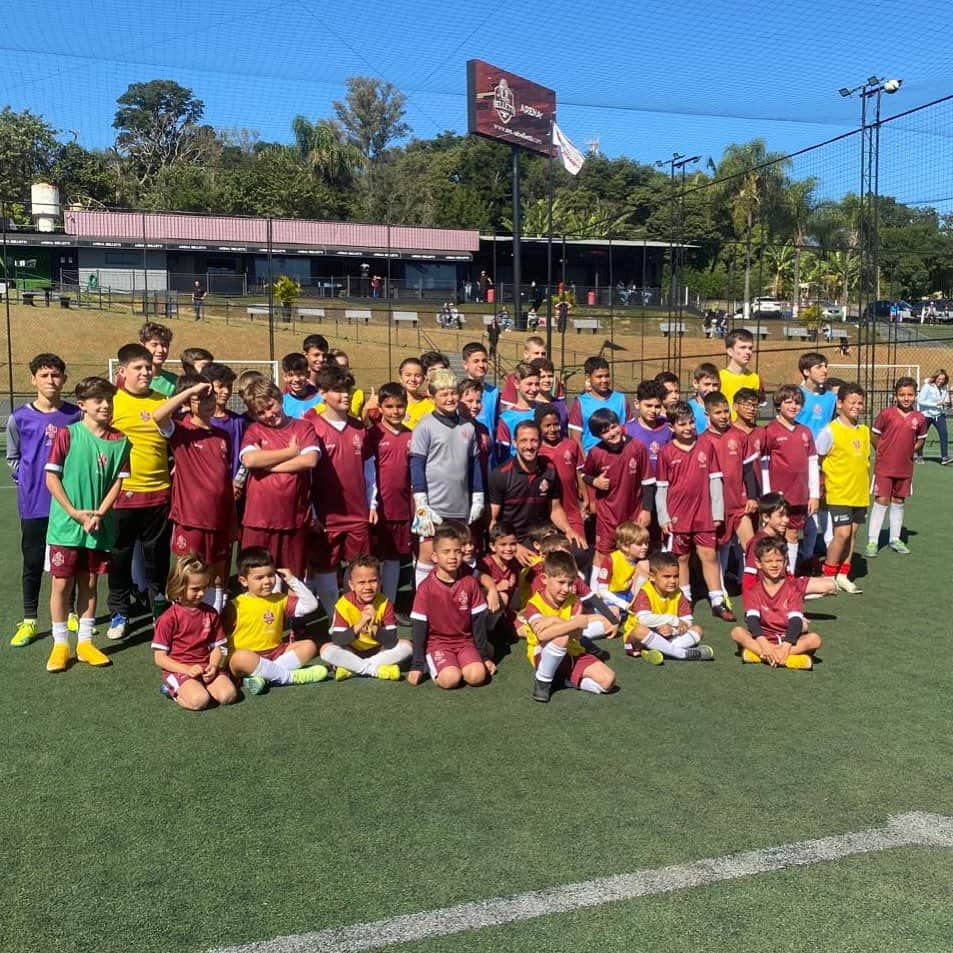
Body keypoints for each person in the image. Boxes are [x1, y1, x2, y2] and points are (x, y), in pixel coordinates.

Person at [44, 377, 130, 673]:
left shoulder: (121, 441)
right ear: (82, 405)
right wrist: (74, 513)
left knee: (90, 583)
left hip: (98, 527)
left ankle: (84, 643)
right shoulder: (67, 435)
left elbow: (118, 483)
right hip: (66, 527)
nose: (105, 405)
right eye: (98, 400)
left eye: (109, 399)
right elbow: (51, 478)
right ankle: (60, 644)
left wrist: (99, 514)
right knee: (62, 584)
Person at [7, 353, 82, 648]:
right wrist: (25, 479)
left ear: (63, 379)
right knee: (34, 561)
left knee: (69, 561)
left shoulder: (75, 415)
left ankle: (71, 612)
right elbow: (13, 457)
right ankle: (29, 620)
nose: (51, 380)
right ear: (33, 379)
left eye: (56, 375)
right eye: (44, 375)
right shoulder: (19, 418)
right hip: (34, 503)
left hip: (66, 504)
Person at [106, 343, 175, 638]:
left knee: (157, 556)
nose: (146, 372)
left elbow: (175, 440)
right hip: (122, 494)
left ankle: (158, 607)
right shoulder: (111, 402)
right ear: (122, 371)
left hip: (159, 491)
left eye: (148, 367)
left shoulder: (163, 399)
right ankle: (119, 611)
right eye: (138, 367)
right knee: (119, 556)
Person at [152, 376, 235, 611]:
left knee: (217, 576)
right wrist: (190, 391)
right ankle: (181, 622)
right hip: (191, 518)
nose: (209, 402)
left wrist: (231, 518)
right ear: (188, 402)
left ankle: (212, 622)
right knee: (187, 573)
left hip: (219, 518)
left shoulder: (222, 436)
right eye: (201, 398)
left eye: (210, 396)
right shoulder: (181, 430)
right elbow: (158, 416)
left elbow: (223, 479)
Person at [304, 365, 374, 620]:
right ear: (322, 393)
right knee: (325, 566)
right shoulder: (310, 425)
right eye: (337, 390)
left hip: (357, 512)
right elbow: (305, 475)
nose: (345, 395)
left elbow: (368, 470)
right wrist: (311, 510)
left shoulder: (358, 427)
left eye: (347, 390)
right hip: (326, 513)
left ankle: (354, 613)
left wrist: (372, 503)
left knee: (358, 567)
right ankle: (335, 618)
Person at [655, 400, 733, 620]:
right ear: (672, 428)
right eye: (682, 424)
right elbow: (662, 487)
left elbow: (715, 480)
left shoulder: (706, 446)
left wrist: (717, 512)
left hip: (704, 513)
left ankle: (718, 600)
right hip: (678, 514)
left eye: (691, 422)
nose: (688, 427)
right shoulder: (666, 452)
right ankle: (685, 598)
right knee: (681, 558)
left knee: (708, 555)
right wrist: (664, 516)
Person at [239, 378, 320, 580]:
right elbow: (250, 460)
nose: (269, 414)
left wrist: (266, 465)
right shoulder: (254, 431)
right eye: (261, 413)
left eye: (270, 406)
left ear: (278, 398)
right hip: (259, 519)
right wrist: (291, 451)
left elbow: (310, 460)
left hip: (294, 518)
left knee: (292, 580)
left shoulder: (303, 427)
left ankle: (290, 613)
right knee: (257, 579)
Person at [409, 369, 484, 588]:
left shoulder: (468, 427)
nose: (450, 398)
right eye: (443, 394)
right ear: (432, 397)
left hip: (460, 506)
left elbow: (474, 464)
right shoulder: (424, 426)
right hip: (434, 506)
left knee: (458, 555)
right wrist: (421, 503)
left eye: (453, 393)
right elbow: (417, 465)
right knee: (427, 554)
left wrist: (478, 497)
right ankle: (422, 604)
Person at [222, 546, 328, 695]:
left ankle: (264, 678)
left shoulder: (280, 599)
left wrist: (292, 580)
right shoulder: (235, 605)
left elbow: (311, 605)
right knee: (241, 657)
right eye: (259, 578)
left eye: (270, 575)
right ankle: (289, 677)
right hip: (248, 658)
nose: (267, 581)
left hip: (275, 653)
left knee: (309, 646)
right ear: (243, 581)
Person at [518, 550, 617, 703]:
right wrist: (574, 622)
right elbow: (542, 636)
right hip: (542, 653)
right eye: (561, 582)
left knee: (608, 681)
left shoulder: (574, 601)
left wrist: (553, 621)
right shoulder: (534, 604)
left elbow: (576, 635)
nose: (566, 589)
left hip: (572, 651)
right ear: (544, 579)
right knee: (560, 637)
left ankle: (564, 680)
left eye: (570, 583)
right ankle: (542, 682)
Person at [408, 524, 495, 689]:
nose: (453, 557)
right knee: (450, 680)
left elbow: (478, 622)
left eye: (457, 551)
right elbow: (419, 626)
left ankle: (466, 660)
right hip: (438, 643)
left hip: (465, 642)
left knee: (477, 677)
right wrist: (417, 665)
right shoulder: (425, 587)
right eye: (446, 552)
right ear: (435, 556)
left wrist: (483, 657)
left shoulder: (469, 582)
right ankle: (434, 661)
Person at [488, 419, 586, 561]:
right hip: (515, 539)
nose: (529, 446)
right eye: (524, 441)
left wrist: (568, 530)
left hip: (543, 535)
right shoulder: (500, 474)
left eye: (534, 440)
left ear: (540, 443)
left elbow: (555, 509)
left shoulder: (550, 469)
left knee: (579, 552)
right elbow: (492, 520)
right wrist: (513, 546)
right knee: (534, 565)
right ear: (515, 443)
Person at [151, 555, 237, 709]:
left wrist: (213, 665)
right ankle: (173, 690)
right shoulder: (169, 618)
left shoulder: (211, 613)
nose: (202, 593)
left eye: (205, 587)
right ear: (179, 586)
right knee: (199, 701)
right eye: (195, 589)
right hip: (179, 669)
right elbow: (160, 658)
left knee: (228, 695)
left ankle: (199, 687)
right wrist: (187, 670)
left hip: (204, 666)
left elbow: (218, 647)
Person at [731, 536, 822, 670]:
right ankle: (789, 660)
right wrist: (764, 644)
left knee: (815, 639)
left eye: (779, 560)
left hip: (788, 641)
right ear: (758, 563)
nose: (774, 565)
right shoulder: (753, 591)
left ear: (785, 562)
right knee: (737, 632)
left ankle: (759, 656)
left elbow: (796, 621)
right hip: (762, 639)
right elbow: (752, 620)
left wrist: (785, 646)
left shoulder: (792, 589)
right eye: (768, 561)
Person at [583, 409, 654, 572]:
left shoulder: (637, 447)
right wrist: (595, 481)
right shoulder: (596, 453)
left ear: (620, 425)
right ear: (597, 436)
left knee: (635, 553)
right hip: (608, 515)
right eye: (605, 432)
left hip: (634, 513)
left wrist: (647, 510)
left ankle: (631, 590)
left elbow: (648, 481)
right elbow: (585, 475)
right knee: (603, 553)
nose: (612, 433)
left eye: (613, 427)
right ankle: (597, 590)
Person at [816, 383, 870, 594]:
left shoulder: (864, 431)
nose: (857, 406)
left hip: (859, 492)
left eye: (860, 403)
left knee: (853, 534)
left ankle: (843, 574)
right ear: (840, 404)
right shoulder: (830, 430)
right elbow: (818, 459)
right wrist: (820, 487)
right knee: (842, 534)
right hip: (839, 491)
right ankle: (828, 575)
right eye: (852, 402)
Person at [759, 385, 819, 575]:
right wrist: (768, 494)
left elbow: (812, 463)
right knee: (775, 535)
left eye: (797, 402)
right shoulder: (769, 431)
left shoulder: (805, 432)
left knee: (793, 534)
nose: (794, 406)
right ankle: (771, 574)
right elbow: (764, 466)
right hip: (778, 496)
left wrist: (814, 495)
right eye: (789, 402)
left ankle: (789, 576)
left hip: (800, 495)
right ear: (778, 404)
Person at [321, 554, 410, 680]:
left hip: (379, 651)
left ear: (380, 582)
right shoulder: (343, 604)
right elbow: (338, 640)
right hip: (351, 651)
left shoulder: (385, 603)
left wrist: (374, 626)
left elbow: (391, 642)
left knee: (407, 646)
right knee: (326, 649)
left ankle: (352, 669)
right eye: (361, 582)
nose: (367, 587)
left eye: (373, 581)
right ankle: (373, 670)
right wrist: (361, 622)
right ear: (351, 585)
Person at [866, 377, 927, 557]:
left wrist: (909, 452)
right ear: (895, 396)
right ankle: (872, 540)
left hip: (905, 467)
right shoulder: (886, 414)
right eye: (902, 395)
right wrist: (884, 451)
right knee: (881, 500)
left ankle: (894, 538)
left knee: (899, 500)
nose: (906, 398)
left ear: (915, 396)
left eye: (909, 395)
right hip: (885, 466)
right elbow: (874, 436)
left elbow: (921, 440)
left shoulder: (919, 418)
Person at [365, 382, 412, 610]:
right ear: (380, 408)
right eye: (390, 406)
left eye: (399, 406)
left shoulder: (411, 436)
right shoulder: (371, 435)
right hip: (376, 510)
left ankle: (390, 605)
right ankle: (365, 603)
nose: (395, 411)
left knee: (394, 558)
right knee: (371, 560)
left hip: (401, 508)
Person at [622, 551, 713, 663]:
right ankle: (681, 654)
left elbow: (687, 621)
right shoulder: (645, 592)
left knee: (698, 630)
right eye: (666, 576)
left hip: (666, 636)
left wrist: (673, 630)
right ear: (652, 577)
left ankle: (664, 650)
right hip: (637, 640)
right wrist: (672, 620)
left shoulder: (679, 594)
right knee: (640, 630)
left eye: (676, 576)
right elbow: (644, 620)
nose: (672, 581)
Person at [536, 404, 587, 542]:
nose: (552, 429)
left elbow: (579, 471)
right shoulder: (536, 450)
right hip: (548, 513)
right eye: (547, 426)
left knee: (580, 548)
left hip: (571, 509)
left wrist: (585, 498)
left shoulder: (571, 445)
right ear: (539, 426)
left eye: (556, 424)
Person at [568, 357, 630, 455]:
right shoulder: (580, 403)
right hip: (591, 462)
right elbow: (576, 439)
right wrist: (584, 465)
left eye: (607, 376)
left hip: (618, 459)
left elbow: (629, 431)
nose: (604, 380)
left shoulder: (621, 399)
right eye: (599, 376)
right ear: (588, 377)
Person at [594, 521, 650, 615]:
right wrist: (623, 604)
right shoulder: (611, 560)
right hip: (610, 598)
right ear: (625, 546)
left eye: (646, 543)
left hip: (627, 595)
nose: (645, 547)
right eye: (640, 544)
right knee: (614, 612)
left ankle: (637, 605)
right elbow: (602, 590)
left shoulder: (638, 561)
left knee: (645, 564)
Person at [203, 362, 245, 481]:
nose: (226, 391)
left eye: (229, 386)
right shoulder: (197, 421)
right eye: (221, 386)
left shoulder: (238, 421)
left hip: (232, 487)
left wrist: (238, 483)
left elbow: (243, 456)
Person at [625, 379, 672, 474]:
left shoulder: (669, 427)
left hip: (663, 483)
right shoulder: (627, 430)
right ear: (637, 404)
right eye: (648, 405)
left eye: (657, 406)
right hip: (638, 484)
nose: (653, 410)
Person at [496, 362, 540, 459]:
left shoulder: (544, 411)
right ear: (516, 383)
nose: (534, 389)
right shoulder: (506, 419)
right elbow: (503, 457)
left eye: (537, 384)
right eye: (529, 384)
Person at [461, 342, 500, 450]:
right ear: (465, 365)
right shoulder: (458, 392)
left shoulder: (495, 393)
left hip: (489, 457)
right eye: (476, 361)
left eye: (484, 361)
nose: (481, 365)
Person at [719, 328, 763, 418]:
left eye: (750, 348)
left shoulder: (755, 378)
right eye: (743, 347)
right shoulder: (719, 378)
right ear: (730, 351)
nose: (748, 352)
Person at [500, 336, 548, 407]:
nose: (540, 356)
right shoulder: (514, 377)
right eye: (536, 353)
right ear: (526, 354)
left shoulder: (551, 379)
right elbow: (510, 407)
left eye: (543, 354)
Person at [916, 369, 950, 464]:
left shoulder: (944, 387)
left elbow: (945, 399)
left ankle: (944, 457)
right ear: (935, 378)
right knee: (922, 436)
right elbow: (920, 400)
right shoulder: (927, 386)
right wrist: (935, 404)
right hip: (926, 415)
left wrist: (947, 403)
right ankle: (919, 456)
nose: (941, 381)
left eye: (943, 379)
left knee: (944, 434)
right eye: (939, 379)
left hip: (939, 415)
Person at [139, 322, 177, 396]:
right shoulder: (132, 379)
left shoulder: (175, 381)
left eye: (164, 345)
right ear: (142, 346)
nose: (160, 350)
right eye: (154, 345)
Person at [281, 352, 322, 418]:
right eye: (291, 375)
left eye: (300, 374)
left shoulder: (320, 399)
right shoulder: (282, 403)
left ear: (308, 374)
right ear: (285, 377)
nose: (296, 379)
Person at [688, 363, 721, 434]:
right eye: (707, 384)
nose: (711, 389)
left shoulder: (723, 408)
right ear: (696, 383)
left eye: (715, 385)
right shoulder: (688, 408)